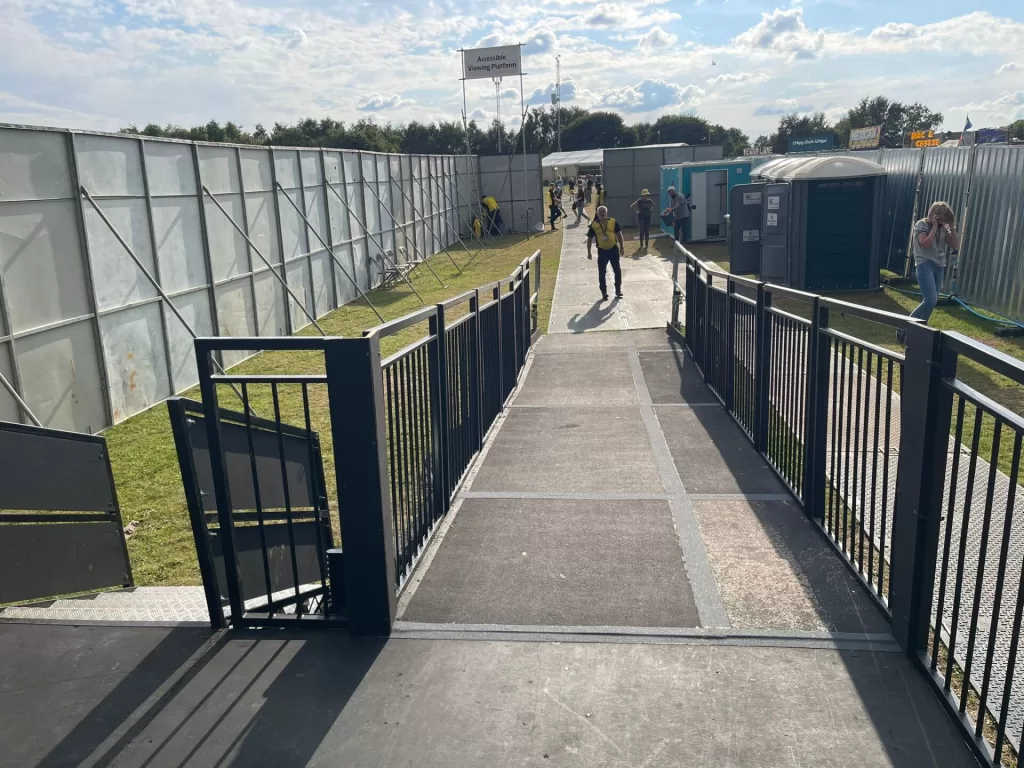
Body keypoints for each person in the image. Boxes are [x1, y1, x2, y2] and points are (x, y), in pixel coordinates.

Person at [897, 201, 960, 342]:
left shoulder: (944, 228)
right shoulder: (921, 224)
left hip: (939, 265)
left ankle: (918, 331)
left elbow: (955, 245)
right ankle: (904, 327)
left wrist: (953, 228)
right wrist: (934, 229)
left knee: (932, 301)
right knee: (930, 299)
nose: (944, 223)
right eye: (942, 220)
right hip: (925, 263)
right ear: (934, 216)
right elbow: (925, 243)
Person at [587, 205, 626, 301]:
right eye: (600, 211)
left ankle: (618, 290)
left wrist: (622, 247)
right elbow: (589, 238)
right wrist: (589, 252)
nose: (602, 213)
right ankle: (604, 292)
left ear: (606, 212)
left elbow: (619, 234)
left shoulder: (612, 222)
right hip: (602, 251)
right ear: (597, 213)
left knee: (617, 270)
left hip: (613, 250)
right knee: (601, 273)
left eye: (603, 211)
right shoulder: (594, 225)